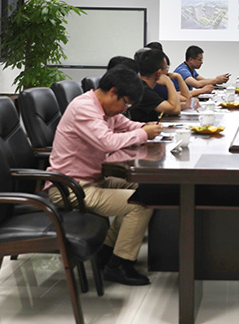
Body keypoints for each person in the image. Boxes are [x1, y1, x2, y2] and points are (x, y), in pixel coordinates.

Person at [45, 65, 162, 286]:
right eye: (125, 103)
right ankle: (119, 265)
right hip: (70, 188)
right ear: (113, 92)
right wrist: (142, 134)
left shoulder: (105, 109)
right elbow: (107, 142)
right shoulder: (85, 108)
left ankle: (107, 253)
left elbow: (126, 126)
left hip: (92, 180)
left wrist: (147, 127)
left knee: (145, 190)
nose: (124, 109)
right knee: (140, 205)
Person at [130, 49, 186, 120]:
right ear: (159, 73)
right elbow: (175, 109)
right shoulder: (144, 91)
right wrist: (169, 82)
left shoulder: (143, 86)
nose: (168, 71)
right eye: (166, 68)